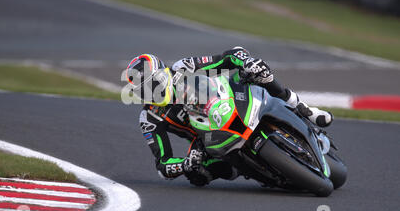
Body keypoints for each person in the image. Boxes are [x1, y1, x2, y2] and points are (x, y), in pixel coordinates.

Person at [125, 47, 333, 187]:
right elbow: (163, 165)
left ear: (164, 73)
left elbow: (226, 57)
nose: (154, 92)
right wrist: (184, 163)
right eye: (145, 91)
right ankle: (255, 170)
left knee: (259, 73)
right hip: (205, 137)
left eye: (155, 83)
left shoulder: (183, 67)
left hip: (225, 100)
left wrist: (246, 61)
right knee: (197, 176)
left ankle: (303, 108)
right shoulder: (149, 118)